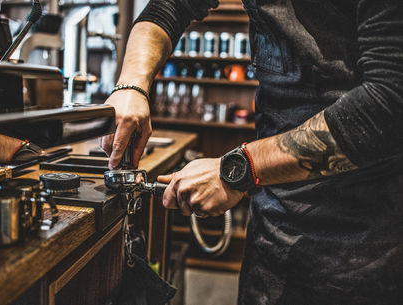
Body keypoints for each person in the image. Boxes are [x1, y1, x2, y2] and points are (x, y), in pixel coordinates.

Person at [101, 0, 403, 303]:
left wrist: (240, 170)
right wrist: (132, 85)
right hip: (273, 224)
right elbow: (170, 6)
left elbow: (390, 104)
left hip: (365, 240)